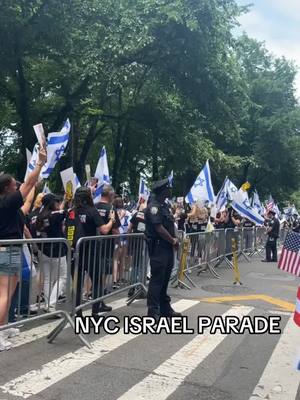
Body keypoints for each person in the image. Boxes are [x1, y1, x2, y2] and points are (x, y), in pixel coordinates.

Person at [0, 146, 47, 350]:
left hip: (9, 249)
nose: (16, 185)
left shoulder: (11, 206)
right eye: (13, 184)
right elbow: (27, 184)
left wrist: (34, 182)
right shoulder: (7, 203)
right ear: (8, 188)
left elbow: (28, 198)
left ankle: (4, 326)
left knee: (11, 287)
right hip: (6, 249)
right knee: (4, 291)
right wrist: (39, 163)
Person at [66, 187, 116, 319]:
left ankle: (78, 314)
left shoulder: (71, 211)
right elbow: (104, 230)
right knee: (98, 282)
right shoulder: (92, 211)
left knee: (77, 284)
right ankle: (95, 312)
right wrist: (111, 220)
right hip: (91, 252)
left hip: (75, 252)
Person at [145, 178, 181, 320]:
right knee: (157, 280)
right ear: (163, 190)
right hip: (159, 247)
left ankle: (164, 308)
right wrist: (172, 240)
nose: (170, 190)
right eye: (168, 188)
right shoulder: (154, 207)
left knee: (165, 279)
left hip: (167, 248)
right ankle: (153, 311)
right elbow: (158, 228)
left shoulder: (164, 206)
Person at [35, 193, 67, 310]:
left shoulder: (40, 216)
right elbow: (64, 211)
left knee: (48, 279)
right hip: (57, 251)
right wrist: (67, 199)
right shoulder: (55, 214)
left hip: (43, 250)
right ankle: (51, 303)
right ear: (52, 203)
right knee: (63, 277)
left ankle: (48, 304)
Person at [95, 185, 121, 293]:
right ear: (110, 195)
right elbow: (115, 230)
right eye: (113, 195)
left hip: (93, 242)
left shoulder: (94, 206)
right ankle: (100, 290)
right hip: (106, 243)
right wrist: (118, 242)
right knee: (104, 269)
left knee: (94, 267)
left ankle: (88, 291)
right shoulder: (111, 209)